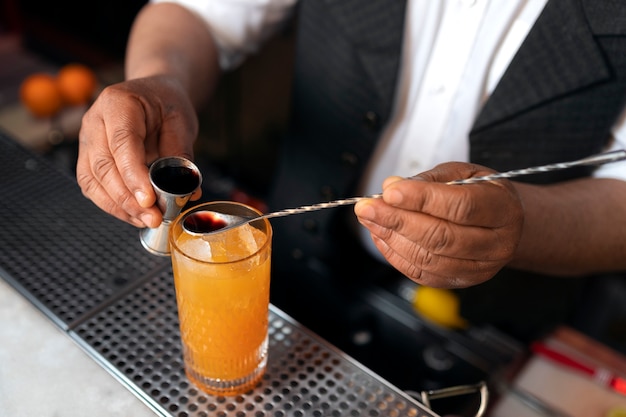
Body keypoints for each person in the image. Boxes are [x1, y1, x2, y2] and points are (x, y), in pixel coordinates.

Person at [77, 0, 626, 347]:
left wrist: (521, 223)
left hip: (494, 326)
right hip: (297, 262)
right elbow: (196, 13)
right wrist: (161, 81)